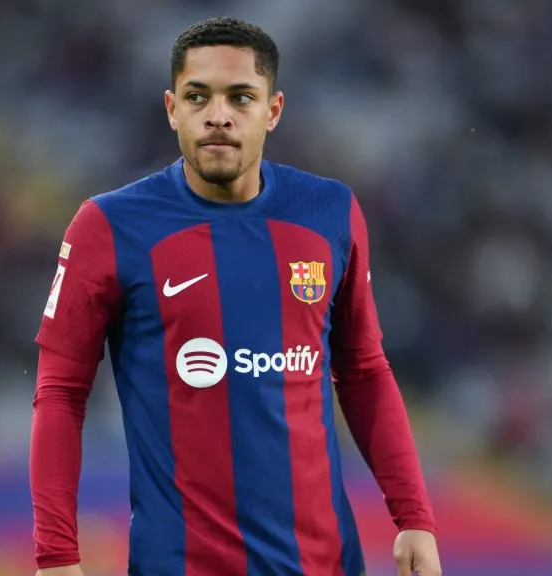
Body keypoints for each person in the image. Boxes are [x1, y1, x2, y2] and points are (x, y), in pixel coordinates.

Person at [31, 16, 442, 576]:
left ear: (273, 110)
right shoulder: (108, 226)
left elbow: (364, 371)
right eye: (197, 96)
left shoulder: (330, 213)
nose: (217, 115)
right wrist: (56, 555)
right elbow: (60, 392)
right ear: (172, 108)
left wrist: (414, 516)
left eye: (240, 97)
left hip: (325, 564)